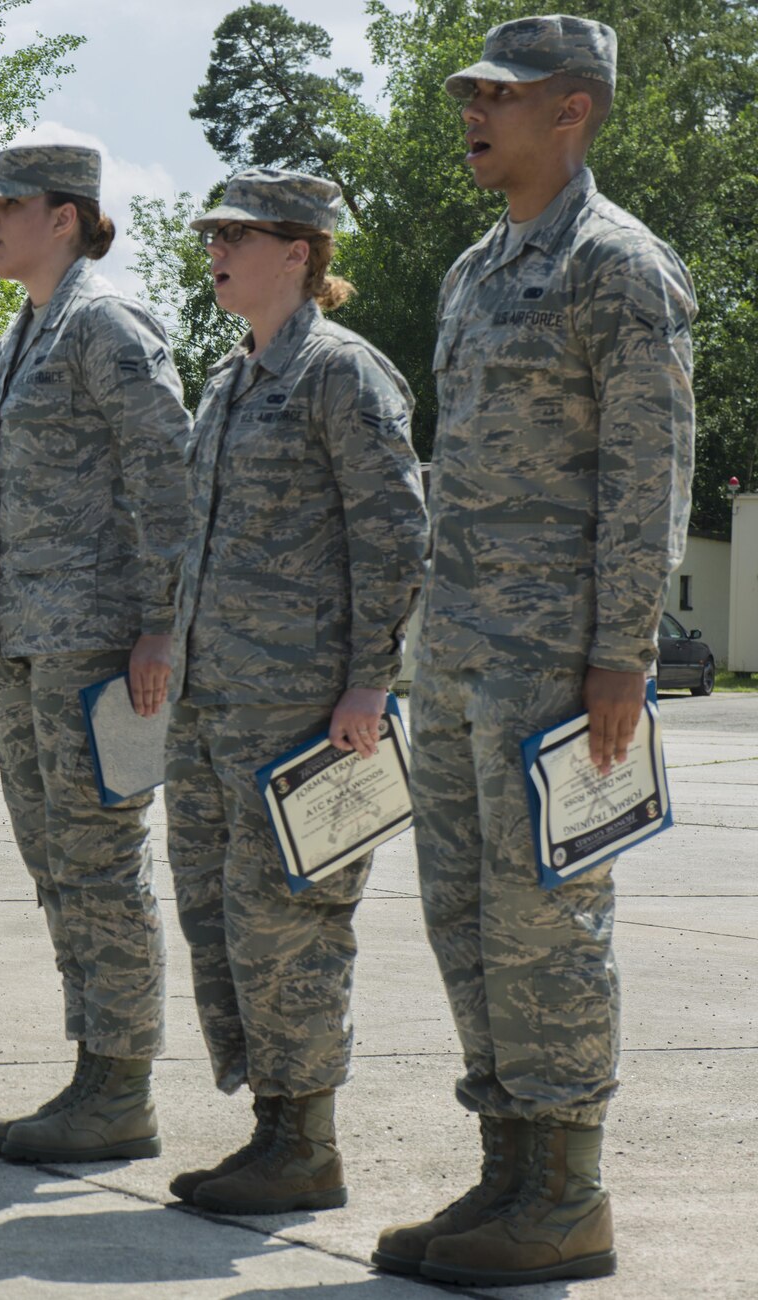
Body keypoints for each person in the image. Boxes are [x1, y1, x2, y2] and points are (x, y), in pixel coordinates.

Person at [376, 17, 693, 1286]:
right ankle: (505, 1172)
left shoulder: (615, 265)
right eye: (466, 93)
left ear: (571, 109)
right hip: (457, 655)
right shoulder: (471, 269)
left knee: (549, 922)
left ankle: (566, 1194)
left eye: (494, 96)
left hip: (559, 664)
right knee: (464, 917)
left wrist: (621, 652)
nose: (470, 112)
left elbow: (647, 466)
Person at [163, 168, 429, 1215]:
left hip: (305, 712)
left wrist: (368, 679)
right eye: (210, 232)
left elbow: (393, 534)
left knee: (291, 927)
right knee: (220, 921)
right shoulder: (227, 382)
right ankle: (269, 1125)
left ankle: (304, 1142)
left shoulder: (342, 375)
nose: (216, 247)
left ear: (299, 251)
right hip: (210, 703)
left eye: (237, 232)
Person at [0, 142, 194, 1164]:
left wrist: (161, 621)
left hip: (99, 642)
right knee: (56, 863)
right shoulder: (24, 330)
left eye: (3, 206)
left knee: (101, 866)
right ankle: (92, 1068)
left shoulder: (103, 322)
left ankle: (120, 1085)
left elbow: (166, 472)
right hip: (21, 642)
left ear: (64, 215)